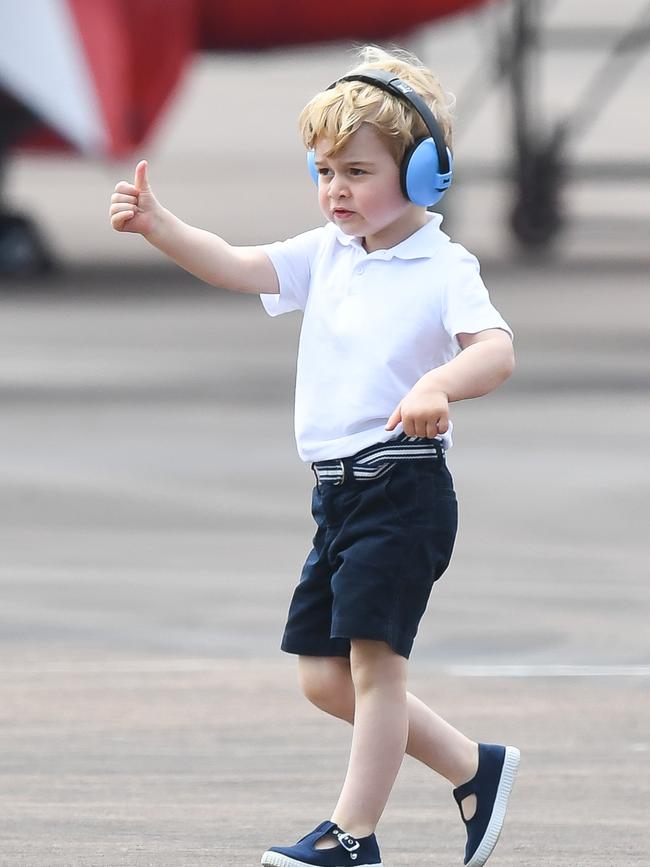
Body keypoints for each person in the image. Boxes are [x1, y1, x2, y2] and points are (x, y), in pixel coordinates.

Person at [110, 44, 519, 867]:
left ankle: (352, 836)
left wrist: (440, 382)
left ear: (426, 173)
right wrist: (162, 227)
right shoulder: (326, 253)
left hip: (402, 486)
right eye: (324, 170)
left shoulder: (443, 265)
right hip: (336, 493)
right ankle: (477, 767)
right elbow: (235, 264)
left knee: (375, 670)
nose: (337, 189)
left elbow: (497, 349)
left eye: (358, 171)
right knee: (323, 677)